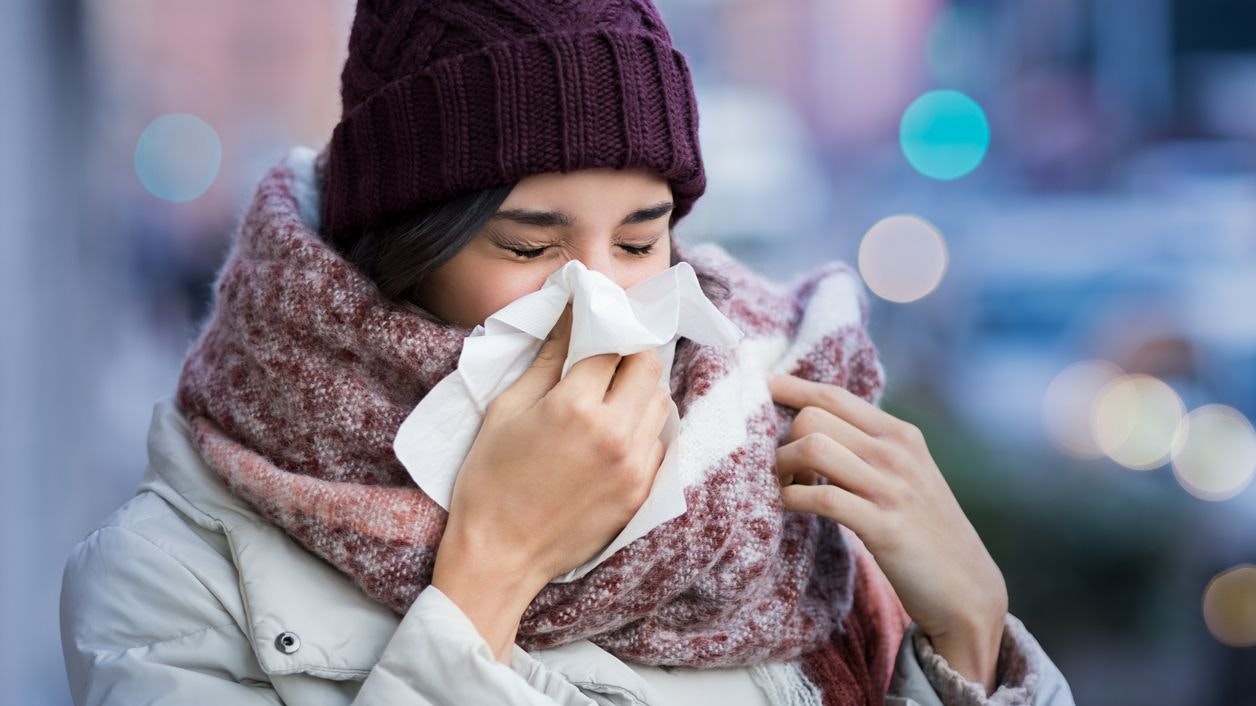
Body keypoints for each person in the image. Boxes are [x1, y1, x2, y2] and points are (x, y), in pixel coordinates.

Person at [59, 2, 1077, 705]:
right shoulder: (175, 576)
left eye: (639, 241)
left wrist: (972, 643)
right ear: (400, 249)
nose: (600, 297)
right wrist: (487, 577)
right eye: (531, 245)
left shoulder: (778, 457)